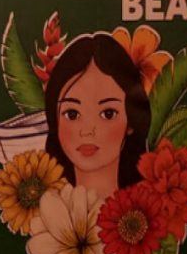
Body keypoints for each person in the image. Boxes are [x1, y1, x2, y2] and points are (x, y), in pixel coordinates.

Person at [43, 32, 150, 200]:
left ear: (131, 121)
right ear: (55, 119)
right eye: (72, 114)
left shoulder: (152, 207)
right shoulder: (43, 210)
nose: (87, 131)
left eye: (108, 114)